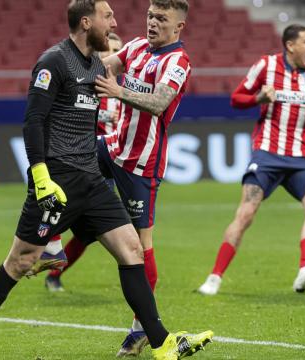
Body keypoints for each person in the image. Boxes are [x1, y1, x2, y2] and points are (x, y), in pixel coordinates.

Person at [0, 1, 213, 359]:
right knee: (19, 262)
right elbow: (33, 122)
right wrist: (41, 177)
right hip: (57, 178)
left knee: (132, 249)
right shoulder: (53, 62)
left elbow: (149, 100)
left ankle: (161, 342)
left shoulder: (95, 65)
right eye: (108, 17)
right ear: (87, 22)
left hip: (90, 175)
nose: (116, 23)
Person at [44, 0, 193, 356]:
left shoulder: (178, 62)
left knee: (141, 247)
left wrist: (119, 92)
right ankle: (51, 245)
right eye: (150, 16)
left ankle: (140, 329)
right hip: (111, 146)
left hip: (141, 164)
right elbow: (101, 67)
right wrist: (64, 74)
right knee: (57, 163)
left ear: (179, 27)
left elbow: (159, 103)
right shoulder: (137, 47)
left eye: (162, 19)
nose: (153, 23)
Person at [197, 24, 305, 296]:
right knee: (246, 213)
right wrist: (258, 97)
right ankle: (214, 277)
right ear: (290, 45)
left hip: (303, 156)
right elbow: (236, 99)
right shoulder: (266, 66)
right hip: (267, 153)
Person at [43, 32, 123, 293]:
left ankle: (54, 272)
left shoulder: (124, 89)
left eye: (119, 50)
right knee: (66, 206)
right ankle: (45, 242)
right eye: (111, 48)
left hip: (109, 162)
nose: (115, 55)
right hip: (82, 157)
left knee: (88, 234)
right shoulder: (87, 81)